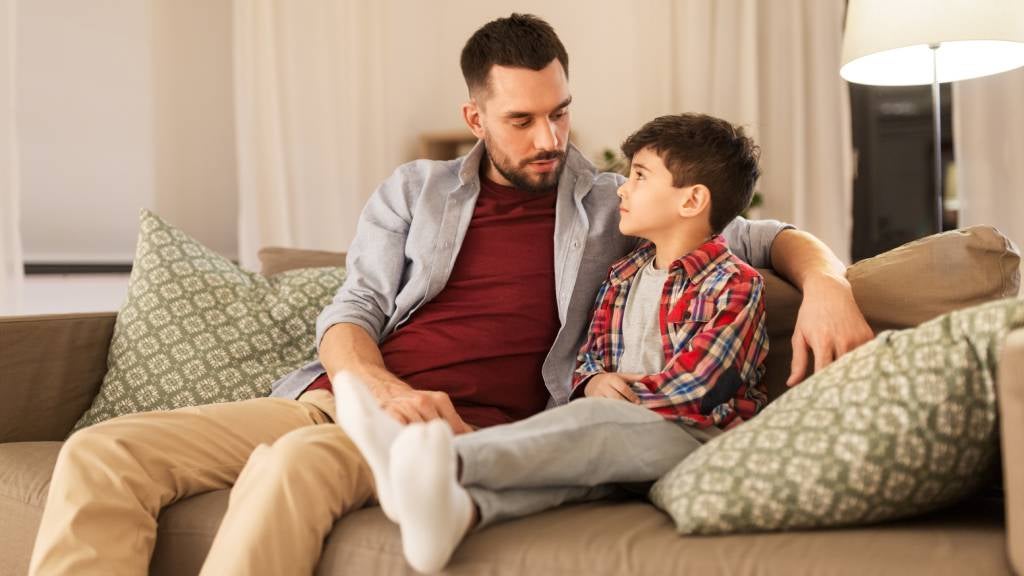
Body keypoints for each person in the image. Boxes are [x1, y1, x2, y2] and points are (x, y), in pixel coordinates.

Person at [28, 13, 872, 576]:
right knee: (105, 450)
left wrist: (829, 280)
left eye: (560, 113)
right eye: (521, 121)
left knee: (294, 469)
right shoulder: (413, 191)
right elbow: (352, 309)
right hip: (344, 400)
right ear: (475, 118)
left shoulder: (615, 203)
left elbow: (753, 233)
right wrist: (378, 388)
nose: (549, 138)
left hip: (461, 429)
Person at [335, 112, 771, 573]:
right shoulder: (623, 275)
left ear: (692, 201)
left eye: (640, 177)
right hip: (619, 439)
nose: (622, 188)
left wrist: (612, 403)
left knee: (596, 427)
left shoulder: (732, 284)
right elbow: (592, 354)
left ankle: (442, 457)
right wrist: (592, 381)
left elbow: (698, 387)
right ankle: (460, 513)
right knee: (566, 478)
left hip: (696, 436)